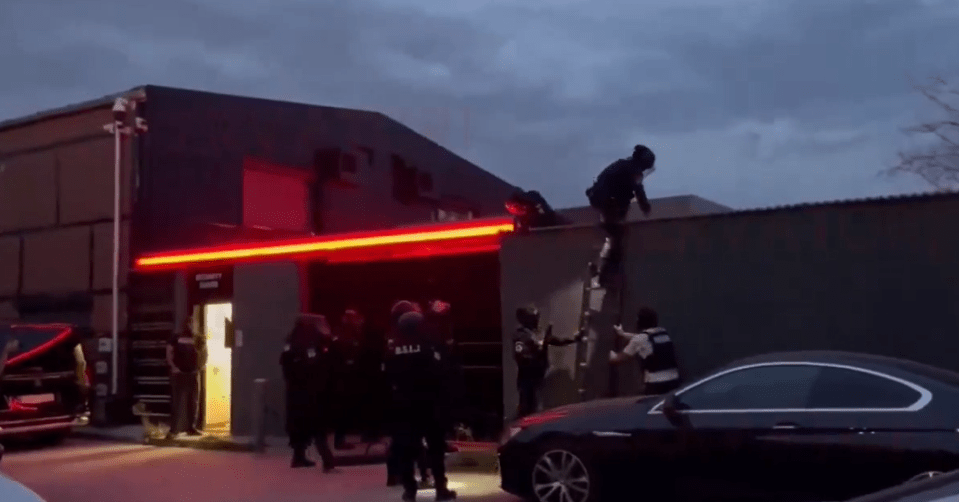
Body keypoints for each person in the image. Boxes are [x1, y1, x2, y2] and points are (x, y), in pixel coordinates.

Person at [385, 309, 458, 501]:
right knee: (436, 449)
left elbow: (387, 376)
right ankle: (440, 489)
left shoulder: (393, 348)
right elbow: (442, 372)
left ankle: (410, 490)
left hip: (404, 407)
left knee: (407, 450)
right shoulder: (429, 345)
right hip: (429, 405)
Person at [585, 144, 656, 288]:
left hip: (602, 199)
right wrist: (646, 208)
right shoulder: (633, 169)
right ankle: (603, 273)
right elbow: (638, 190)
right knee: (617, 234)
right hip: (607, 201)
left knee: (613, 231)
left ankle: (601, 267)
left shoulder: (622, 165)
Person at [280, 314, 339, 472]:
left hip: (294, 392)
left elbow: (285, 362)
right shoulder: (312, 340)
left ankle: (298, 457)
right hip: (312, 392)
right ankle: (328, 462)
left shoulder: (291, 339)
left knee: (299, 426)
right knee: (318, 427)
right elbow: (319, 365)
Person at [385, 301, 433, 489]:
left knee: (399, 439)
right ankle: (423, 475)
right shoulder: (423, 342)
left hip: (397, 398)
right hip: (418, 398)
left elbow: (387, 372)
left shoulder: (392, 341)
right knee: (418, 439)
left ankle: (394, 475)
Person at [513, 305, 587, 419]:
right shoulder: (521, 335)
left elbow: (554, 341)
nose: (537, 320)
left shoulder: (536, 333)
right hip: (527, 379)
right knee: (526, 409)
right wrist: (540, 348)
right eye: (534, 318)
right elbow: (522, 358)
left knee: (535, 409)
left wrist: (574, 339)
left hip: (538, 376)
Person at [609, 307, 682, 395]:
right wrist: (623, 334)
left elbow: (619, 359)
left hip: (656, 384)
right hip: (674, 380)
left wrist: (609, 354)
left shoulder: (640, 339)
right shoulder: (662, 332)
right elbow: (643, 339)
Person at [166, 321, 207, 439]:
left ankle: (191, 428)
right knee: (177, 402)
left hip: (192, 373)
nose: (190, 326)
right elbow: (169, 352)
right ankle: (173, 430)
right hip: (179, 374)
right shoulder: (175, 338)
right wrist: (173, 367)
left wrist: (199, 367)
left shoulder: (197, 338)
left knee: (192, 402)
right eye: (189, 324)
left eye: (192, 324)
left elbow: (203, 351)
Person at [331, 308, 364, 450]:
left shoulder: (342, 333)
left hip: (344, 378)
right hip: (344, 379)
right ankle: (339, 441)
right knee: (342, 412)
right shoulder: (347, 335)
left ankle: (341, 439)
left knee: (343, 411)